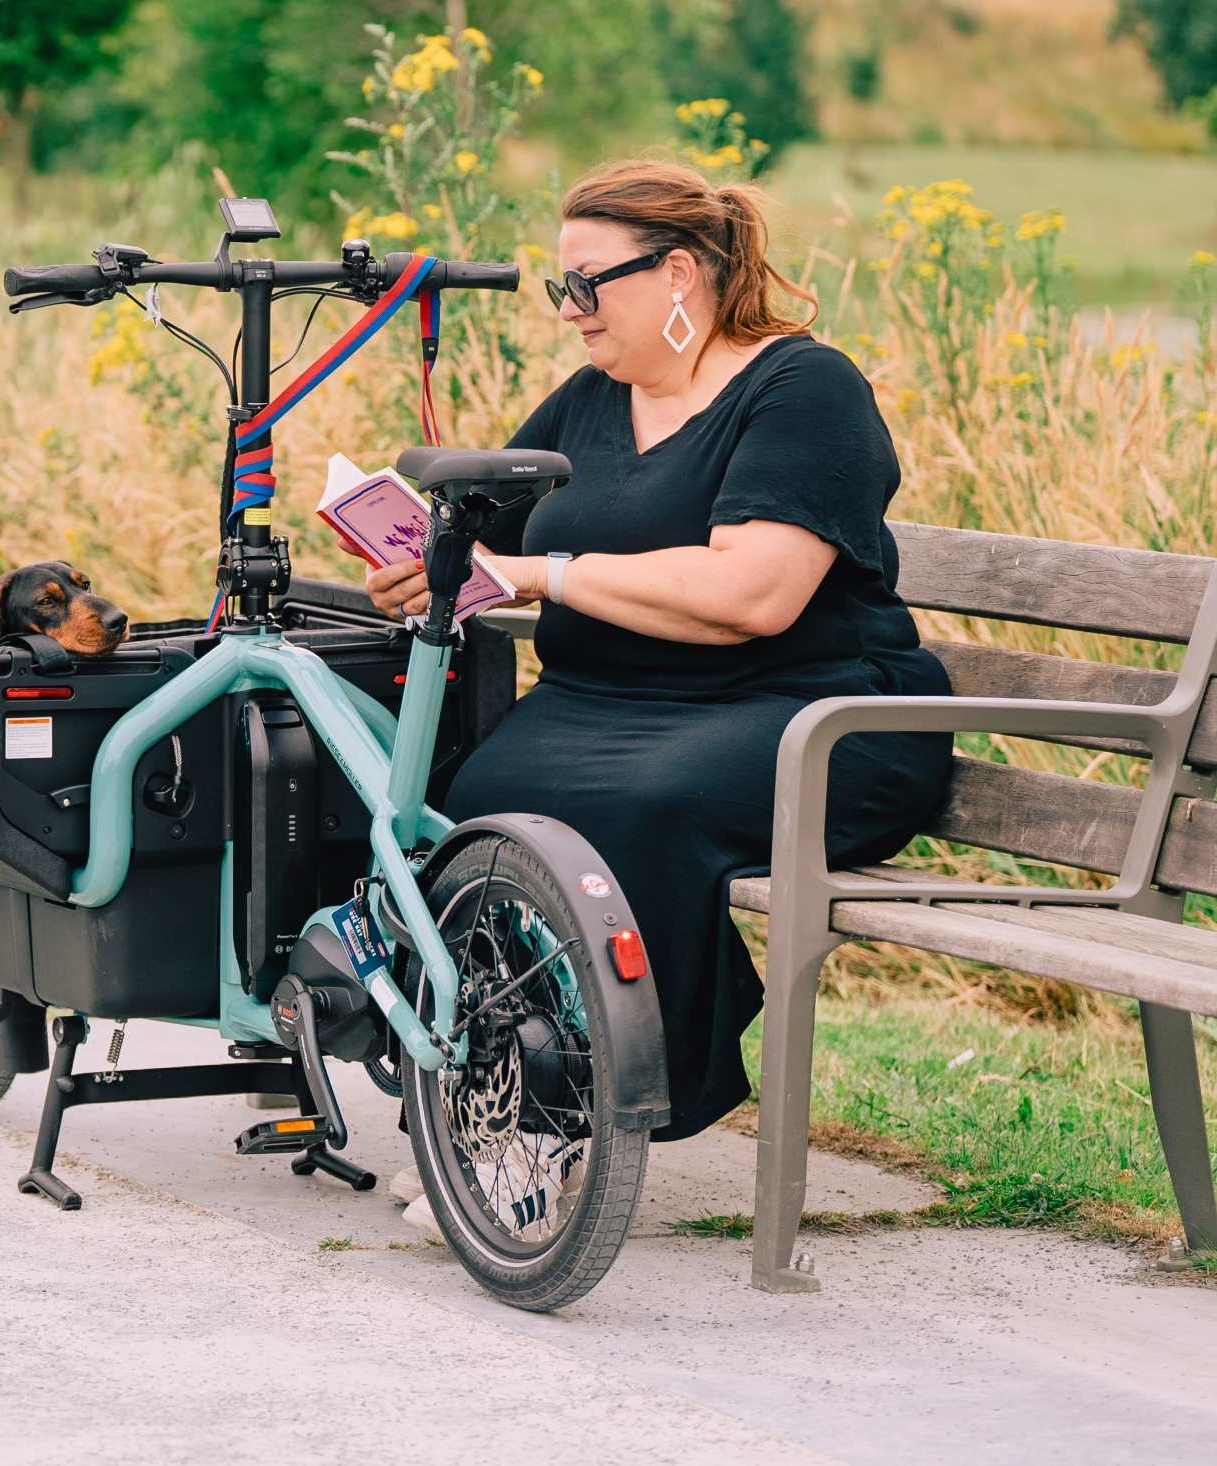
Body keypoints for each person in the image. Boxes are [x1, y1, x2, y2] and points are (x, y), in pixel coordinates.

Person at [348, 159, 954, 1145]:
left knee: (639, 809)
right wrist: (428, 562)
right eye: (560, 287)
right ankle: (490, 1077)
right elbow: (486, 536)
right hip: (602, 707)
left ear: (678, 273)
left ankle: (598, 1097)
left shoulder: (804, 388)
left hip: (810, 714)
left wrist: (547, 572)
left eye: (586, 283)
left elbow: (750, 594)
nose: (569, 311)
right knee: (465, 803)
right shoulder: (588, 402)